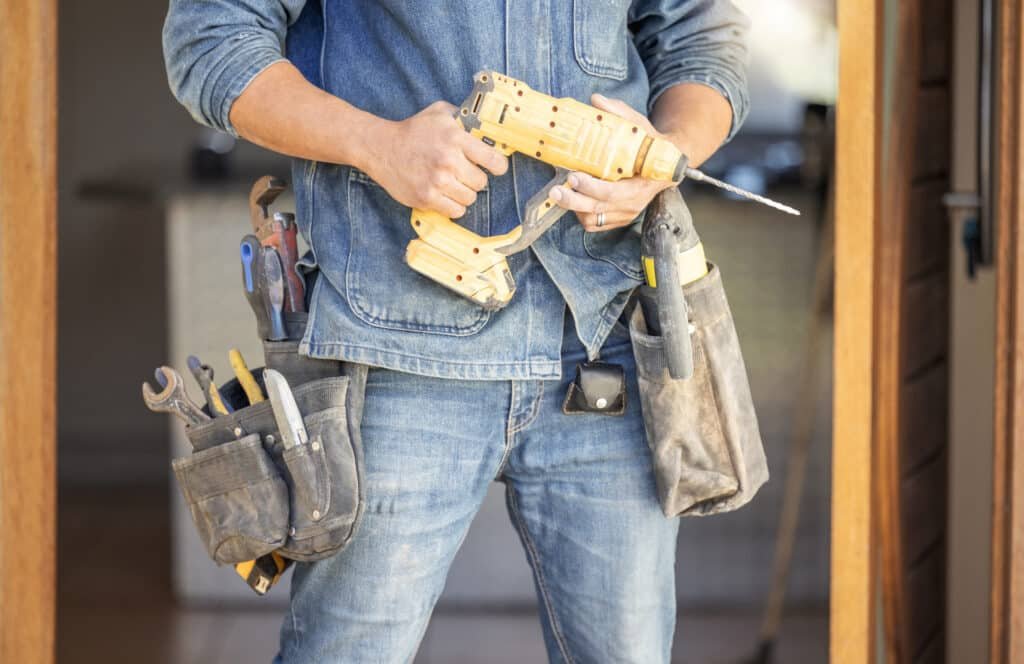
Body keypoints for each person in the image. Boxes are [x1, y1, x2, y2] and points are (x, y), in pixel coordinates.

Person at [163, 2, 749, 661]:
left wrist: (665, 156)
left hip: (599, 345)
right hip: (395, 353)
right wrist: (377, 144)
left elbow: (701, 42)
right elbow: (210, 42)